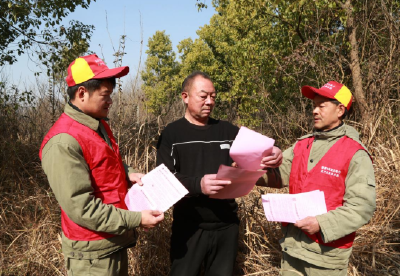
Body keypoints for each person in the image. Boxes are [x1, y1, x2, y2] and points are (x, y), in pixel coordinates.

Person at [39, 54, 164, 276]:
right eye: (105, 95)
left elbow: (103, 163)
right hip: (91, 257)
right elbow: (82, 208)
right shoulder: (63, 142)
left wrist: (129, 174)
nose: (110, 101)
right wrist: (137, 218)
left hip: (110, 243)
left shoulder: (96, 124)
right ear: (81, 93)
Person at [156, 71, 282, 276]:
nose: (209, 101)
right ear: (185, 97)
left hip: (226, 225)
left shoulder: (226, 130)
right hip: (189, 227)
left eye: (213, 96)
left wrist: (274, 152)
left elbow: (262, 149)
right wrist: (199, 185)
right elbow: (163, 181)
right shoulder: (172, 134)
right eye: (203, 96)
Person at [257, 81, 376, 276]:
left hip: (326, 259)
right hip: (292, 250)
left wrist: (321, 223)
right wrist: (247, 171)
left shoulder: (355, 153)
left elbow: (362, 206)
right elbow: (277, 175)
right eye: (314, 105)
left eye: (322, 105)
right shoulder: (302, 145)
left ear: (340, 110)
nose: (314, 110)